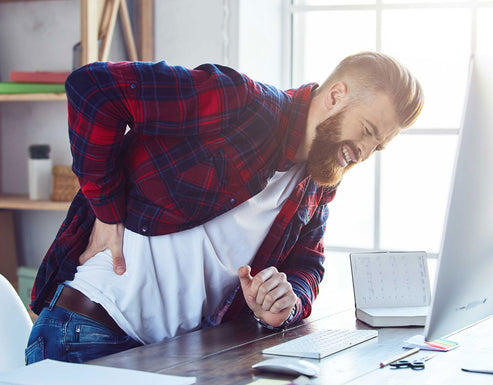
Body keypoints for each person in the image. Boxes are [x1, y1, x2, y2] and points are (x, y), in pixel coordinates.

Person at [25, 52, 424, 364]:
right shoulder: (244, 103)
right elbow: (93, 87)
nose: (365, 153)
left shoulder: (317, 182)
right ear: (336, 96)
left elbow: (308, 265)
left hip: (166, 354)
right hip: (86, 333)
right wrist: (106, 207)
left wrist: (286, 303)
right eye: (368, 131)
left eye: (379, 146)